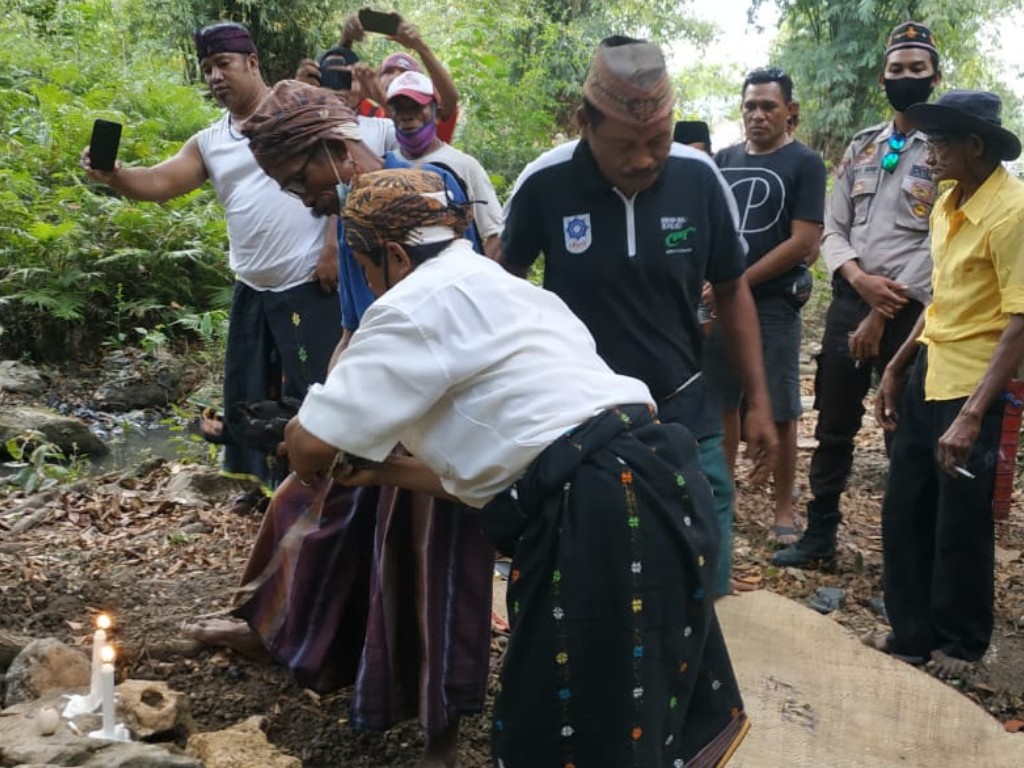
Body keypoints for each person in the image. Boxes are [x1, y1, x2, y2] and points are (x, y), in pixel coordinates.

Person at [265, 164, 749, 767]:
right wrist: (385, 472)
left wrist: (294, 432)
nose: (369, 282)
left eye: (364, 267)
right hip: (658, 478)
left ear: (389, 252)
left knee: (569, 729)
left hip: (599, 509)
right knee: (639, 709)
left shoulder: (411, 306)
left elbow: (311, 448)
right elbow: (513, 466)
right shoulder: (519, 294)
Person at [182, 81, 492, 768]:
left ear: (332, 147)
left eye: (299, 179)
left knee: (425, 554)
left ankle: (440, 727)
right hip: (381, 386)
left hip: (440, 403)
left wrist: (367, 412)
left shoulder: (426, 190)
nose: (300, 197)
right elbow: (357, 324)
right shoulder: (352, 205)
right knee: (305, 499)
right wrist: (322, 405)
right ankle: (272, 630)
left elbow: (454, 307)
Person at [501, 36, 778, 599]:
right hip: (579, 413)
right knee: (595, 564)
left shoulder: (699, 179)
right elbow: (501, 282)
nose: (646, 158)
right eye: (627, 144)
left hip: (681, 402)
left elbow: (732, 291)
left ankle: (697, 659)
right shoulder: (545, 183)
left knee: (704, 549)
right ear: (585, 122)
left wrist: (760, 402)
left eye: (659, 139)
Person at [80, 22, 345, 509]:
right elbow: (162, 182)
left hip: (309, 280)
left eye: (223, 64)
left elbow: (339, 176)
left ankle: (320, 487)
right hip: (253, 284)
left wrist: (332, 248)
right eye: (207, 69)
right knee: (248, 391)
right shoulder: (210, 141)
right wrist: (114, 175)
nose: (215, 76)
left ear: (253, 63)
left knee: (312, 389)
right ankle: (259, 488)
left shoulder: (296, 113)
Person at [866, 91, 1024, 678]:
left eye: (938, 143)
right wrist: (896, 366)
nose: (926, 153)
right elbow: (939, 300)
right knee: (906, 504)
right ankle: (911, 633)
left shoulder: (1013, 213)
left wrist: (973, 414)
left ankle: (959, 644)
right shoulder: (947, 202)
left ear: (975, 147)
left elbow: (1019, 320)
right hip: (930, 370)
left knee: (960, 517)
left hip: (976, 383)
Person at [774, 21, 940, 568]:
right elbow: (832, 226)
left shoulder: (948, 151)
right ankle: (820, 536)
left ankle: (906, 564)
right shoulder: (862, 146)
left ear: (935, 75)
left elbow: (944, 240)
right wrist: (857, 279)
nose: (906, 78)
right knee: (834, 425)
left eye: (917, 69)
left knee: (906, 437)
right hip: (852, 299)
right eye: (898, 70)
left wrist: (881, 302)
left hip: (914, 312)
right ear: (882, 77)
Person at [705, 66, 827, 545]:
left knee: (779, 406)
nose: (757, 115)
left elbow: (802, 241)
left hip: (774, 304)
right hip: (720, 303)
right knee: (722, 402)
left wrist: (734, 281)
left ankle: (783, 505)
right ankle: (725, 491)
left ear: (789, 112)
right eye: (750, 106)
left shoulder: (805, 163)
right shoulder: (723, 160)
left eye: (768, 106)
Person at [387, 71, 503, 259]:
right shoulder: (384, 166)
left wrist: (474, 274)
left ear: (437, 114)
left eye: (416, 107)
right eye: (400, 109)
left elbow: (495, 234)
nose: (407, 116)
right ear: (391, 115)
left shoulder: (464, 166)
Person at [339, 12, 461, 143]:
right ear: (378, 79)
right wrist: (346, 40)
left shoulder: (426, 115)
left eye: (404, 72)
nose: (396, 76)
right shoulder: (365, 110)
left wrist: (420, 47)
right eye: (389, 71)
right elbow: (333, 89)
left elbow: (450, 98)